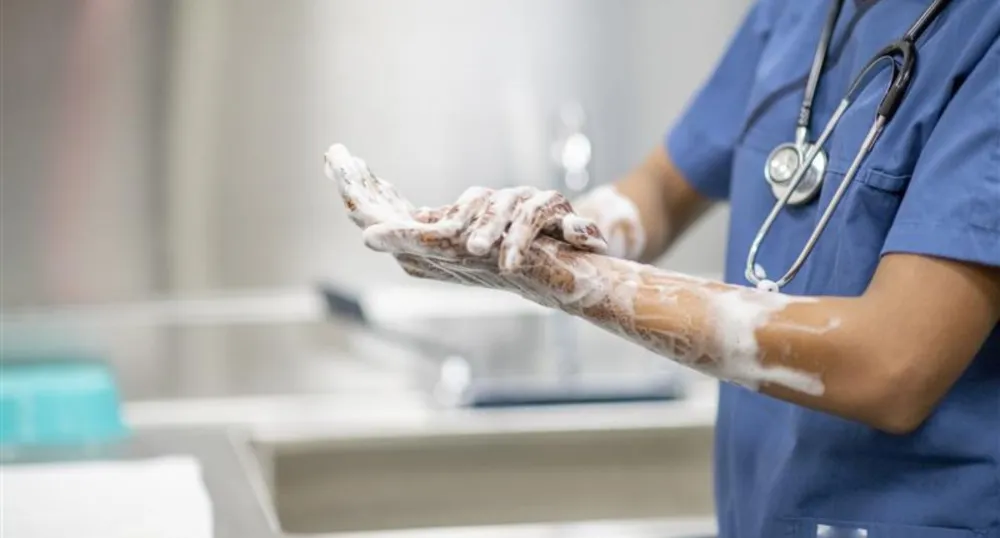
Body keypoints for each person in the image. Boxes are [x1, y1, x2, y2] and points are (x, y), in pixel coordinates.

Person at [325, 1, 1000, 536]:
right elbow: (654, 195)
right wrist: (541, 225)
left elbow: (894, 364)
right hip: (758, 512)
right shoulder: (802, 11)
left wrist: (565, 277)